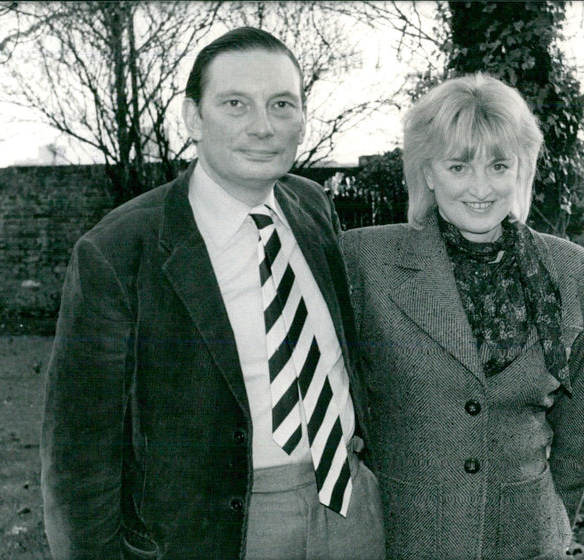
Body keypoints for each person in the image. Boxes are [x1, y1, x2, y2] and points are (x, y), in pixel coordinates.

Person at [41, 27, 384, 560]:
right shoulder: (117, 251)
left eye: (281, 104)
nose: (263, 127)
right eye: (235, 104)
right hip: (223, 530)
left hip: (351, 507)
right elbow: (78, 458)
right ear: (192, 119)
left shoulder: (312, 206)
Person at [340, 73, 584, 560]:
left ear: (521, 171)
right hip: (408, 537)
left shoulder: (577, 275)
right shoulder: (364, 261)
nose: (481, 188)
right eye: (459, 166)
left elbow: (578, 434)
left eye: (499, 165)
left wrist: (553, 523)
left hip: (527, 539)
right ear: (427, 172)